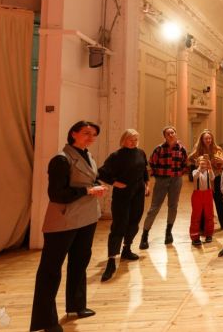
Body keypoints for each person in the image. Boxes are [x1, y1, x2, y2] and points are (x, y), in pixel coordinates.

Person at [30, 121, 107, 332]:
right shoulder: (61, 159)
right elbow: (56, 195)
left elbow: (88, 180)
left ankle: (76, 306)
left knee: (79, 262)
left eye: (94, 134)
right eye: (86, 133)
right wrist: (88, 191)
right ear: (73, 134)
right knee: (50, 270)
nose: (91, 137)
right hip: (63, 221)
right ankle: (45, 321)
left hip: (87, 217)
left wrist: (96, 186)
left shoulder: (87, 155)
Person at [98, 129, 149, 283]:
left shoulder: (141, 153)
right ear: (123, 140)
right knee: (119, 224)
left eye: (135, 139)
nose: (133, 142)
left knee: (134, 222)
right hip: (123, 194)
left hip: (138, 192)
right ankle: (111, 260)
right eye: (130, 139)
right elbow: (102, 173)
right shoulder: (116, 156)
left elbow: (144, 170)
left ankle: (127, 249)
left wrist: (146, 185)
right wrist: (115, 183)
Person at [139, 126, 188, 249]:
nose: (170, 135)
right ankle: (145, 235)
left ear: (175, 134)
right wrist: (159, 175)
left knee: (173, 206)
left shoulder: (181, 149)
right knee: (154, 207)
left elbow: (185, 164)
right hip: (162, 180)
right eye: (168, 134)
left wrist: (179, 174)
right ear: (165, 136)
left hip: (176, 180)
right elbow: (152, 162)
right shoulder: (159, 149)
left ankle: (168, 232)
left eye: (172, 133)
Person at [188, 129, 223, 229]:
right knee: (204, 202)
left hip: (216, 176)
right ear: (202, 139)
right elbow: (190, 159)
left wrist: (222, 162)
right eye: (206, 139)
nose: (208, 140)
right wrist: (197, 163)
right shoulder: (198, 149)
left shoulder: (217, 149)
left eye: (210, 138)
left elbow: (222, 164)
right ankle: (203, 225)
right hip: (204, 178)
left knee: (219, 200)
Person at [190, 156, 215, 246]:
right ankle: (195, 237)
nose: (203, 164)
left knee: (209, 215)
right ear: (197, 163)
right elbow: (195, 176)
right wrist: (199, 168)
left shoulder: (209, 171)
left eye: (205, 162)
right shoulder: (195, 171)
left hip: (208, 194)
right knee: (196, 216)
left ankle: (209, 234)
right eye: (201, 162)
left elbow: (212, 178)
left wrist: (210, 167)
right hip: (197, 195)